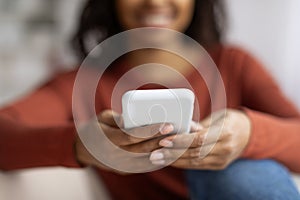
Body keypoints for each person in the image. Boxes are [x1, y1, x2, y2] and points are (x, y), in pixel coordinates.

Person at [0, 0, 299, 199]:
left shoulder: (234, 64)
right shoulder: (83, 84)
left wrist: (249, 134)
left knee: (240, 173)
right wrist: (84, 144)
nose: (155, 1)